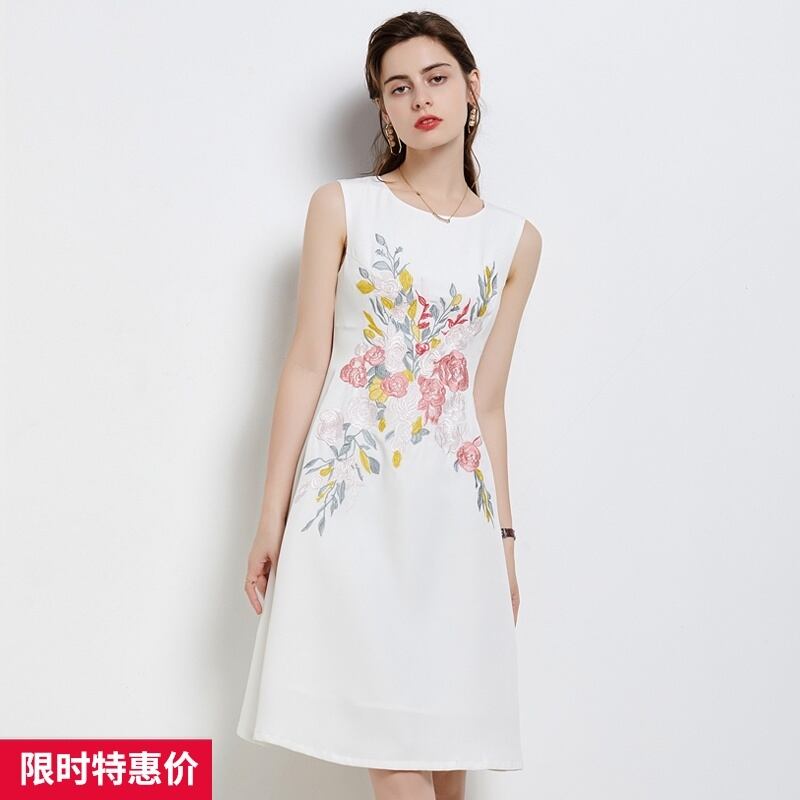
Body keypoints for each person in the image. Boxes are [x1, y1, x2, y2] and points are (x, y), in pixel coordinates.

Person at [237, 10, 542, 800]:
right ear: (383, 107)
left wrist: (505, 540)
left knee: (448, 742)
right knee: (394, 745)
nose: (420, 99)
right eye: (397, 88)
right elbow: (307, 363)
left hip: (455, 516)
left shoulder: (515, 240)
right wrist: (270, 517)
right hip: (353, 505)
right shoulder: (343, 206)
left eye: (436, 79)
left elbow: (488, 402)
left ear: (472, 88)